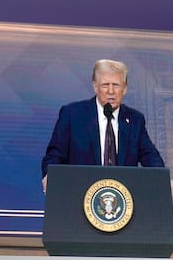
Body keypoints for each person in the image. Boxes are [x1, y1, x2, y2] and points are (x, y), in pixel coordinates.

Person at [40, 59, 164, 191]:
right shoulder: (73, 115)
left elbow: (150, 155)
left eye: (116, 85)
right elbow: (55, 155)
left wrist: (162, 178)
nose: (111, 91)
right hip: (79, 194)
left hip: (122, 200)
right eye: (105, 85)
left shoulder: (135, 120)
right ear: (95, 87)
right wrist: (50, 176)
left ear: (125, 88)